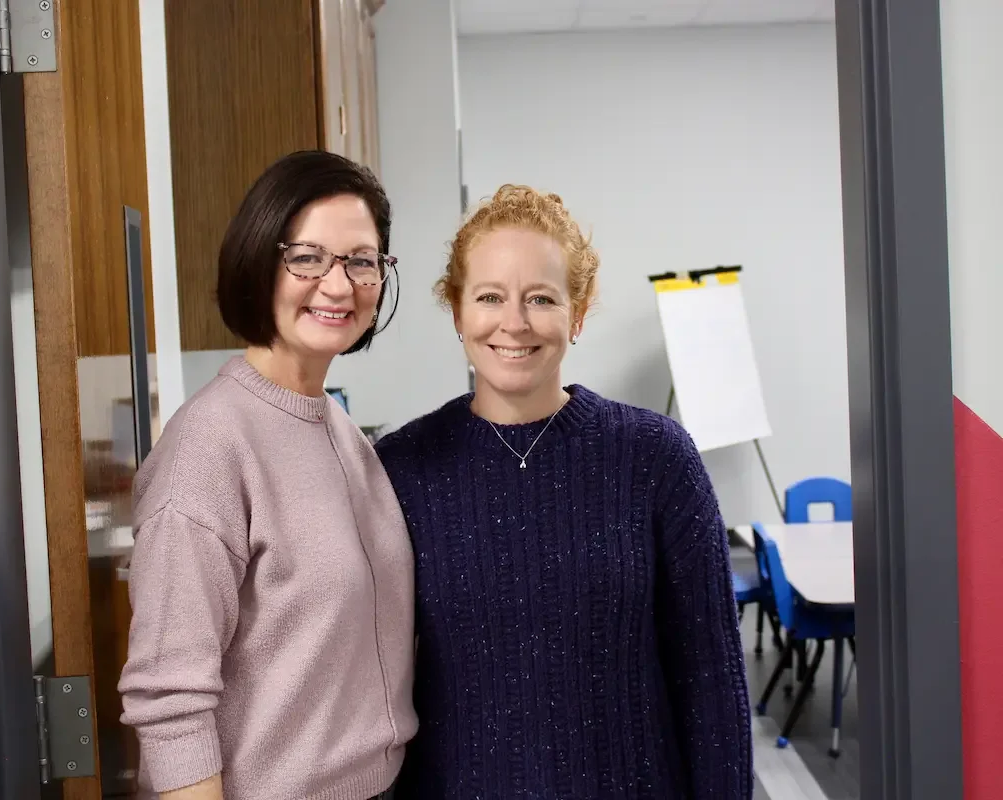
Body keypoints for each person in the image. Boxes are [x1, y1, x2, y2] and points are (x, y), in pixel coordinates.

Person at [375, 185, 753, 798]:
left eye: (541, 298)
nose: (514, 322)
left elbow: (711, 679)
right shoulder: (401, 468)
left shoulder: (655, 457)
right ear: (457, 312)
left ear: (576, 313)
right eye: (490, 296)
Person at [119, 150, 418, 800]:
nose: (338, 285)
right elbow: (169, 698)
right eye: (306, 257)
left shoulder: (336, 427)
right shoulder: (211, 445)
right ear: (259, 259)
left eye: (361, 260)